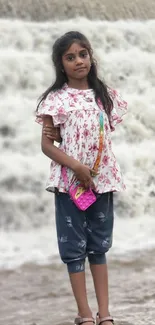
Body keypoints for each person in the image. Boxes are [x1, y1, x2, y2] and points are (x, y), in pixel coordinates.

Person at [35, 31, 127, 325]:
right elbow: (47, 145)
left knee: (99, 247)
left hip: (102, 180)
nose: (78, 61)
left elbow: (102, 135)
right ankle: (85, 314)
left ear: (91, 57)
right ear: (60, 64)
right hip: (70, 185)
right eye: (70, 57)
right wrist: (76, 166)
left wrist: (90, 167)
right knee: (74, 249)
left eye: (83, 54)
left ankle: (105, 312)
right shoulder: (54, 100)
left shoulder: (106, 94)